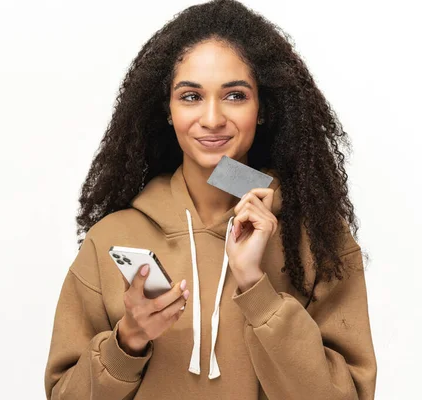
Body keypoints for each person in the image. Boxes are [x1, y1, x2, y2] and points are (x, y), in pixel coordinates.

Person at [43, 0, 377, 398]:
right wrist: (128, 340)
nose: (213, 118)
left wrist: (256, 287)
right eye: (190, 97)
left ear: (263, 108)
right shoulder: (112, 239)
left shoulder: (317, 239)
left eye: (235, 95)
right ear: (167, 110)